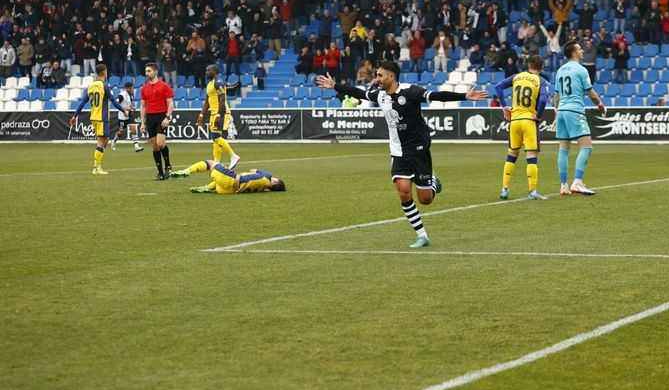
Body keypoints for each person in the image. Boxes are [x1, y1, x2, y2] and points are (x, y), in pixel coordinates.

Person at [316, 61, 488, 248]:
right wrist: (335, 86)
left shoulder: (410, 91)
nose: (377, 79)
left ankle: (431, 178)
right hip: (398, 151)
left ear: (391, 76)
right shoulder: (379, 95)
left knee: (426, 200)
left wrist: (464, 95)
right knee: (404, 193)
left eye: (380, 75)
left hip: (419, 149)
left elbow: (437, 95)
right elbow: (358, 93)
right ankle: (422, 236)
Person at [554, 39, 606, 196]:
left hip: (562, 111)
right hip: (575, 111)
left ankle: (563, 186)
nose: (582, 50)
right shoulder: (581, 70)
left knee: (563, 149)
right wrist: (600, 105)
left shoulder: (560, 70)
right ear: (574, 53)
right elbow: (590, 93)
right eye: (579, 49)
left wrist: (557, 111)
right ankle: (577, 182)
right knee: (586, 147)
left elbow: (556, 97)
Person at [494, 55, 549, 201]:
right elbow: (543, 99)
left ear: (529, 65)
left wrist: (505, 106)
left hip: (514, 121)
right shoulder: (541, 81)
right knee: (531, 157)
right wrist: (538, 115)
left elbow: (498, 87)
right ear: (541, 68)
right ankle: (532, 191)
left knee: (511, 156)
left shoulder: (517, 77)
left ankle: (505, 189)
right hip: (528, 121)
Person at [69, 64, 129, 175]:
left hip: (94, 117)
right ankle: (96, 168)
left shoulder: (91, 86)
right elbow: (114, 101)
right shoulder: (105, 86)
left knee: (104, 140)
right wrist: (123, 110)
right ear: (104, 71)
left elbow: (82, 102)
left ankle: (98, 165)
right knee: (102, 142)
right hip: (102, 117)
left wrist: (74, 116)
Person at [196, 64, 240, 169]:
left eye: (208, 70)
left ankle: (233, 156)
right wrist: (201, 115)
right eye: (206, 70)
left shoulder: (218, 82)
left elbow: (222, 99)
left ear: (214, 71)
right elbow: (207, 102)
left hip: (221, 113)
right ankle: (217, 163)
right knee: (216, 140)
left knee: (216, 137)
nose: (206, 72)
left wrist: (219, 115)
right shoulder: (209, 84)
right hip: (214, 113)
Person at [139, 62, 175, 180]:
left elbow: (170, 103)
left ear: (155, 72)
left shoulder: (164, 86)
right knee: (155, 146)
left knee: (160, 143)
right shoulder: (144, 88)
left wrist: (167, 117)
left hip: (161, 116)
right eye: (146, 71)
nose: (147, 73)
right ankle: (160, 173)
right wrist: (143, 123)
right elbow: (143, 106)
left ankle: (168, 166)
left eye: (149, 71)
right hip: (150, 118)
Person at [170, 160, 285, 194]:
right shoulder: (262, 188)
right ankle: (207, 188)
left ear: (275, 182)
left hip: (231, 180)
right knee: (221, 180)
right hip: (227, 190)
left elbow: (253, 170)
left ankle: (186, 170)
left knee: (211, 163)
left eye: (276, 178)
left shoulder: (267, 177)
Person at [111, 81, 144, 153]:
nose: (132, 89)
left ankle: (136, 147)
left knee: (134, 129)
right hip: (122, 116)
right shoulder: (121, 95)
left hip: (129, 115)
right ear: (127, 88)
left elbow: (128, 103)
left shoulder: (130, 94)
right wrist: (126, 109)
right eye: (131, 88)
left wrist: (132, 107)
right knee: (121, 132)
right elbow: (116, 104)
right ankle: (113, 141)